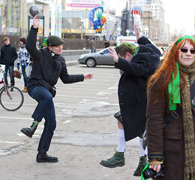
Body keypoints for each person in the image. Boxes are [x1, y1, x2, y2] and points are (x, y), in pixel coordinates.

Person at [20, 14, 93, 163]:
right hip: (35, 87)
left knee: (51, 123)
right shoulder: (40, 55)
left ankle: (42, 154)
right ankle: (32, 127)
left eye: (62, 46)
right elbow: (29, 46)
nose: (61, 48)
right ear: (50, 47)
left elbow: (65, 79)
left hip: (47, 90)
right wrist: (34, 28)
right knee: (46, 96)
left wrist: (82, 76)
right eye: (58, 46)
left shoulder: (61, 60)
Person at [100, 25, 161, 176]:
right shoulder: (148, 51)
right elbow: (153, 48)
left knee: (134, 125)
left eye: (122, 59)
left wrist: (118, 61)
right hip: (142, 98)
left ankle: (122, 156)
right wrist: (140, 38)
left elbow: (138, 69)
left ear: (128, 55)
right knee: (136, 127)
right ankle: (141, 159)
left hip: (143, 100)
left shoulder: (142, 59)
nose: (122, 63)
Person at [146, 36, 195, 180]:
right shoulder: (161, 79)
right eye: (184, 49)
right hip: (172, 150)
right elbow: (154, 119)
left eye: (193, 51)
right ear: (175, 51)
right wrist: (155, 156)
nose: (188, 54)